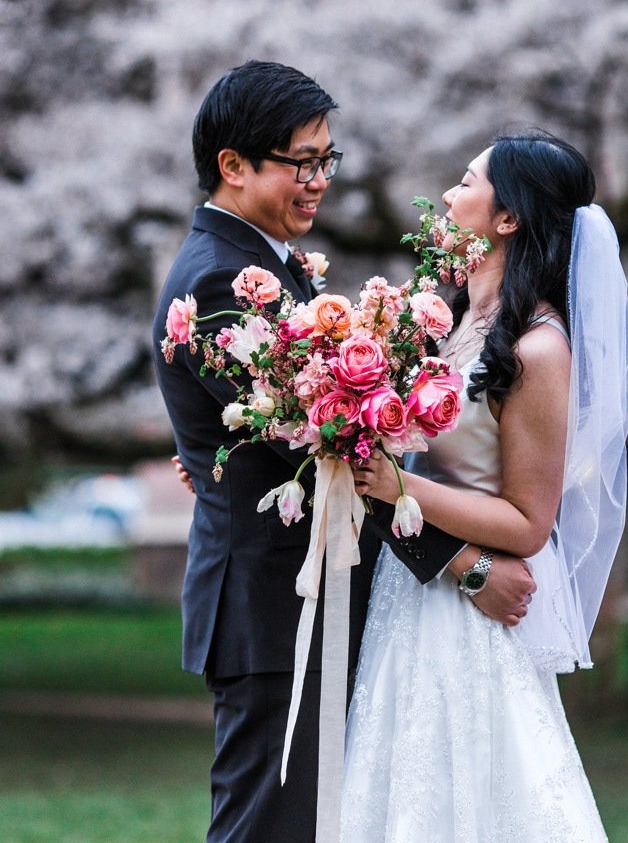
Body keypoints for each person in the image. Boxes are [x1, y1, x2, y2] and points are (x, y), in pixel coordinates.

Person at [152, 61, 536, 843]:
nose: (319, 180)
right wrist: (464, 565)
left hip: (299, 593)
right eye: (302, 162)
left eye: (327, 159)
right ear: (234, 166)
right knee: (269, 827)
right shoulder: (226, 278)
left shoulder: (260, 265)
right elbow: (335, 455)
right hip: (274, 606)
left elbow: (301, 446)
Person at [342, 132, 628, 841]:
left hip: (469, 625)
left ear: (508, 218)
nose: (448, 194)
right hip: (408, 593)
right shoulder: (440, 324)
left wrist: (394, 487)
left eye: (467, 181)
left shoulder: (537, 349)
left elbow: (530, 522)